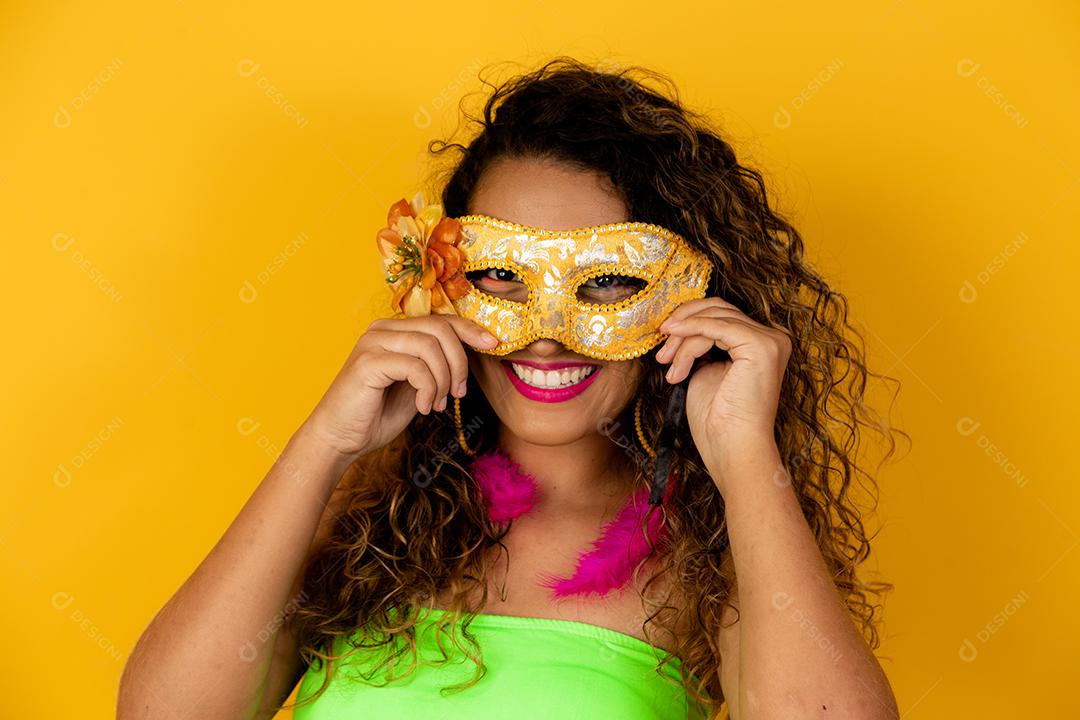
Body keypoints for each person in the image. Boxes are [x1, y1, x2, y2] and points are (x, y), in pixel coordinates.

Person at [117, 57, 903, 720]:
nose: (548, 332)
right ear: (440, 279)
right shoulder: (364, 527)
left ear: (691, 300)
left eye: (605, 285)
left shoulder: (710, 558)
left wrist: (743, 456)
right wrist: (324, 446)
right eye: (502, 277)